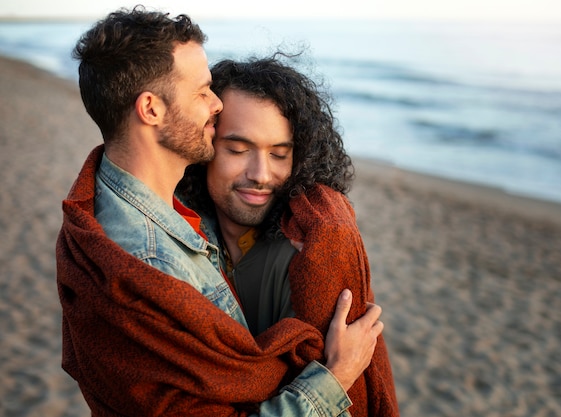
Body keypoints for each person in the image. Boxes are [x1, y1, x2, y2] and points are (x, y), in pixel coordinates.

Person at [56, 6, 384, 416]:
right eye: (202, 91)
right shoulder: (146, 261)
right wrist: (336, 377)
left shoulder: (165, 206)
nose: (216, 104)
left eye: (279, 153)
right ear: (151, 109)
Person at [177, 56, 400, 416]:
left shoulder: (307, 256)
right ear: (203, 146)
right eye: (238, 150)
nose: (261, 174)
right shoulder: (176, 234)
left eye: (279, 154)